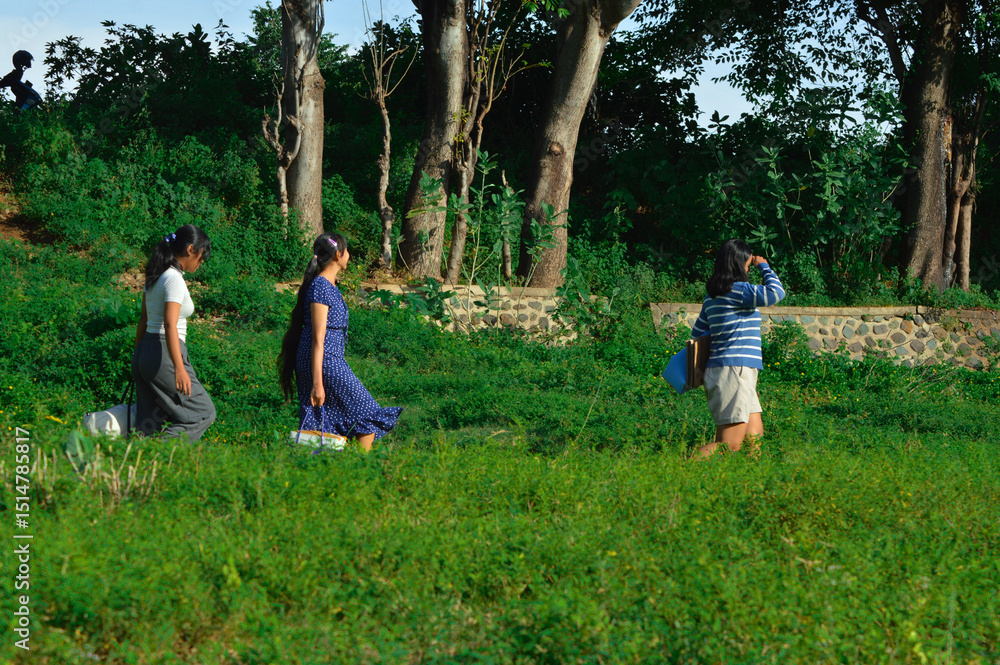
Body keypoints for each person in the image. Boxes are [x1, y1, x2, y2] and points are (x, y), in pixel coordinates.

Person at [278, 232, 401, 451]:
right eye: (347, 250)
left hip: (328, 359)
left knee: (328, 420)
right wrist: (317, 383)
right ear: (337, 255)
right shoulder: (321, 287)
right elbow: (318, 338)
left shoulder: (328, 286)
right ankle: (361, 469)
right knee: (367, 412)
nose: (349, 255)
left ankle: (333, 469)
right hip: (324, 360)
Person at [690, 239, 785, 459]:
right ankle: (679, 474)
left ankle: (747, 485)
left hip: (729, 370)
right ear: (739, 263)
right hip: (735, 371)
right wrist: (764, 265)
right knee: (728, 445)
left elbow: (697, 336)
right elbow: (776, 293)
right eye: (748, 265)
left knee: (754, 440)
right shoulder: (739, 291)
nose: (749, 269)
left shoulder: (712, 297)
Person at [132, 225, 216, 443]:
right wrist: (179, 368)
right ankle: (158, 455)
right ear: (190, 249)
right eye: (201, 256)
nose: (202, 262)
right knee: (202, 413)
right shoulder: (174, 279)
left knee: (148, 423)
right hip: (165, 353)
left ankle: (136, 463)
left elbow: (144, 318)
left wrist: (138, 355)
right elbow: (170, 324)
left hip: (146, 351)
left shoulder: (156, 275)